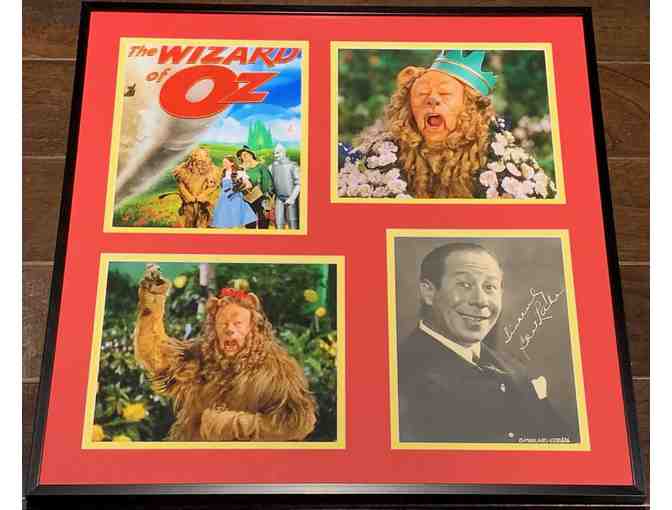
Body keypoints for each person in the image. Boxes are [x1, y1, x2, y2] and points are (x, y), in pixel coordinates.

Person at [397, 243, 571, 443]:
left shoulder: (514, 368)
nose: (481, 300)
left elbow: (562, 443)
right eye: (464, 285)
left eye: (490, 287)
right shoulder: (400, 377)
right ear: (429, 292)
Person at [133, 264, 317, 441]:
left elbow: (298, 423)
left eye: (238, 324)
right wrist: (152, 305)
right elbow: (156, 357)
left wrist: (230, 425)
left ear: (253, 327)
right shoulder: (202, 355)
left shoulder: (276, 369)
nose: (229, 330)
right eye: (223, 324)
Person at [338, 50, 555, 199]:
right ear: (408, 107)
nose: (432, 99)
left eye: (444, 94)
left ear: (469, 106)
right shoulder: (373, 158)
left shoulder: (510, 164)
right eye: (422, 93)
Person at [172, 148, 222, 227]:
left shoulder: (213, 170)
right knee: (187, 220)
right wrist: (187, 196)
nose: (201, 160)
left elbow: (214, 186)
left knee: (204, 220)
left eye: (203, 157)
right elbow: (181, 184)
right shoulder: (183, 170)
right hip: (189, 203)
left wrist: (204, 195)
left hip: (204, 203)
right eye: (198, 157)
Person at [210, 156, 257, 229]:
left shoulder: (239, 172)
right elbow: (218, 185)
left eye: (225, 162)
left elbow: (249, 185)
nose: (223, 164)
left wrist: (238, 189)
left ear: (232, 163)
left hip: (235, 198)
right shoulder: (223, 173)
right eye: (223, 162)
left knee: (235, 219)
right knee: (223, 219)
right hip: (223, 199)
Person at [236, 146, 274, 229]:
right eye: (242, 156)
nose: (243, 157)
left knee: (263, 221)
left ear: (251, 154)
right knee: (249, 223)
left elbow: (267, 182)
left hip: (261, 197)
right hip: (246, 199)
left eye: (245, 154)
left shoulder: (261, 166)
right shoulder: (241, 168)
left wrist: (266, 195)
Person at [269, 144, 300, 229]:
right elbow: (272, 184)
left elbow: (298, 183)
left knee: (293, 221)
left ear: (284, 152)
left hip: (291, 197)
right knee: (278, 222)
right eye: (274, 153)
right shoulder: (272, 167)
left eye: (278, 153)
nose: (275, 155)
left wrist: (292, 198)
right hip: (279, 198)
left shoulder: (293, 166)